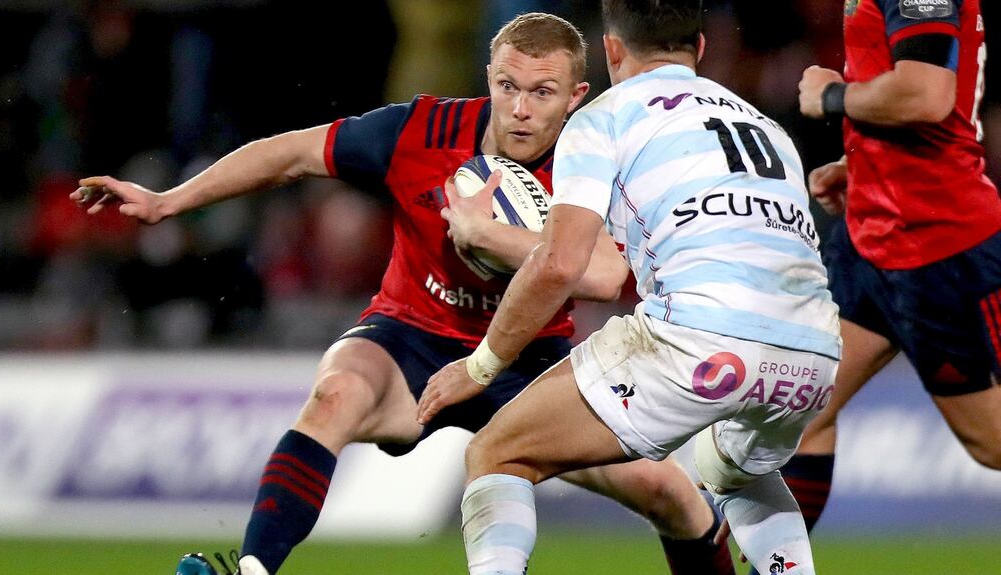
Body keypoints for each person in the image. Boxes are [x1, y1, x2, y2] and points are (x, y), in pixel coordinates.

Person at [72, 12, 734, 575]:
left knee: (663, 488)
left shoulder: (593, 162)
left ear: (576, 95)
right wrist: (170, 200)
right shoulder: (421, 132)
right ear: (489, 80)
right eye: (508, 86)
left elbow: (603, 275)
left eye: (543, 91)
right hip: (411, 338)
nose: (522, 108)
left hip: (526, 361)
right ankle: (250, 569)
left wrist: (488, 233)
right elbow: (293, 153)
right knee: (336, 393)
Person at [418, 1, 843, 574]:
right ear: (699, 48)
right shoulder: (765, 126)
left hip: (701, 338)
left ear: (612, 51)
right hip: (814, 351)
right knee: (732, 470)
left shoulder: (604, 118)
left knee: (496, 453)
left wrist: (479, 366)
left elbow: (560, 264)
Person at [777, 0, 1001, 542]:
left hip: (935, 247)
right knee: (797, 413)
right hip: (871, 238)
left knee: (990, 443)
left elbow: (925, 95)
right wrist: (863, 167)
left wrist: (831, 96)